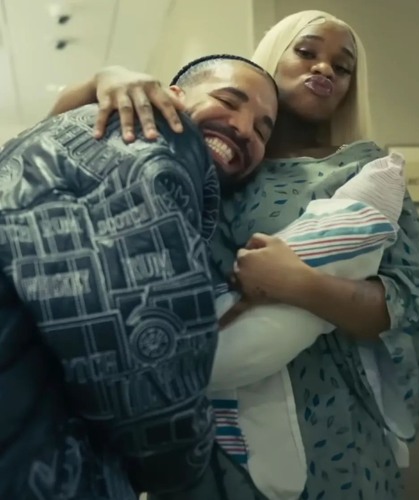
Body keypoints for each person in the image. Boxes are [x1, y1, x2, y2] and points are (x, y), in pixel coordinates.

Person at [50, 9, 419, 500]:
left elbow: (412, 307)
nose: (324, 68)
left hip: (329, 427)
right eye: (306, 51)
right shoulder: (212, 158)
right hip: (198, 431)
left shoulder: (361, 172)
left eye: (342, 66)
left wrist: (301, 285)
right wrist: (103, 80)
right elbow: (60, 163)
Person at [0, 54, 277, 500]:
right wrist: (188, 474)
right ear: (171, 96)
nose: (244, 128)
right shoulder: (152, 136)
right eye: (228, 101)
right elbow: (144, 363)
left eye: (263, 130)